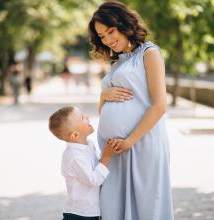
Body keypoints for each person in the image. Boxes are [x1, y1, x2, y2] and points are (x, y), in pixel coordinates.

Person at [88, 1, 174, 220]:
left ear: (124, 24)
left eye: (110, 31)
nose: (107, 39)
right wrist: (103, 96)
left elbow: (160, 105)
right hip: (114, 150)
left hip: (141, 143)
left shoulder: (150, 53)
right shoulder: (118, 64)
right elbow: (103, 111)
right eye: (102, 36)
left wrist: (129, 141)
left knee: (146, 207)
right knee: (113, 208)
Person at [48, 106, 118, 220]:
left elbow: (95, 166)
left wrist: (106, 152)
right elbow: (94, 180)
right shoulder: (74, 156)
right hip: (80, 214)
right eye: (82, 118)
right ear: (75, 135)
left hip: (90, 212)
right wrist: (107, 156)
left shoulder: (88, 145)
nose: (87, 117)